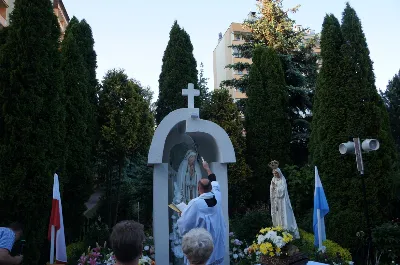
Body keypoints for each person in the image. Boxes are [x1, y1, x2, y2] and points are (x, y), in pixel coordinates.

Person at [177, 160, 226, 265]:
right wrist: (207, 168)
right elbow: (214, 181)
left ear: (198, 188)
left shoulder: (195, 204)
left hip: (200, 247)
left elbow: (185, 225)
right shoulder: (217, 196)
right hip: (215, 245)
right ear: (210, 188)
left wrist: (181, 215)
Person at [269, 160, 300, 238]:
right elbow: (272, 190)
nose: (275, 174)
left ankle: (287, 232)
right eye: (274, 173)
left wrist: (275, 186)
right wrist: (273, 187)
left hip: (282, 201)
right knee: (277, 215)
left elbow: (282, 191)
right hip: (276, 201)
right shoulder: (273, 180)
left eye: (276, 173)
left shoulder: (283, 180)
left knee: (284, 215)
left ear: (279, 173)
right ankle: (279, 230)